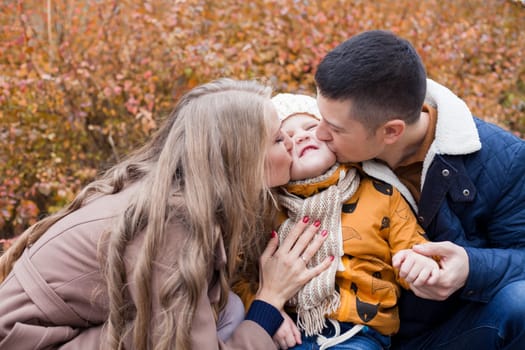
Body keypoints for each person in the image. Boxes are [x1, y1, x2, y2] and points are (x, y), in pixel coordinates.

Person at [0, 78, 334, 350]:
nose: (291, 142)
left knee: (227, 308)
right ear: (241, 160)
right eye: (278, 138)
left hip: (48, 329)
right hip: (31, 342)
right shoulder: (171, 228)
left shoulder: (174, 191)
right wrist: (269, 300)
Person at [314, 30, 525, 349]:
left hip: (449, 332)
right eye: (320, 118)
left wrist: (470, 267)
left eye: (335, 129)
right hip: (341, 330)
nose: (318, 133)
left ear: (391, 131)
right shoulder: (316, 149)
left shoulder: (504, 160)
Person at [236, 93, 440, 350]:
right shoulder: (266, 210)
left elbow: (413, 246)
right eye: (285, 139)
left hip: (359, 332)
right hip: (290, 331)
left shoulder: (381, 194)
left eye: (311, 128)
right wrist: (266, 316)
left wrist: (418, 263)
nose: (300, 137)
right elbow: (239, 277)